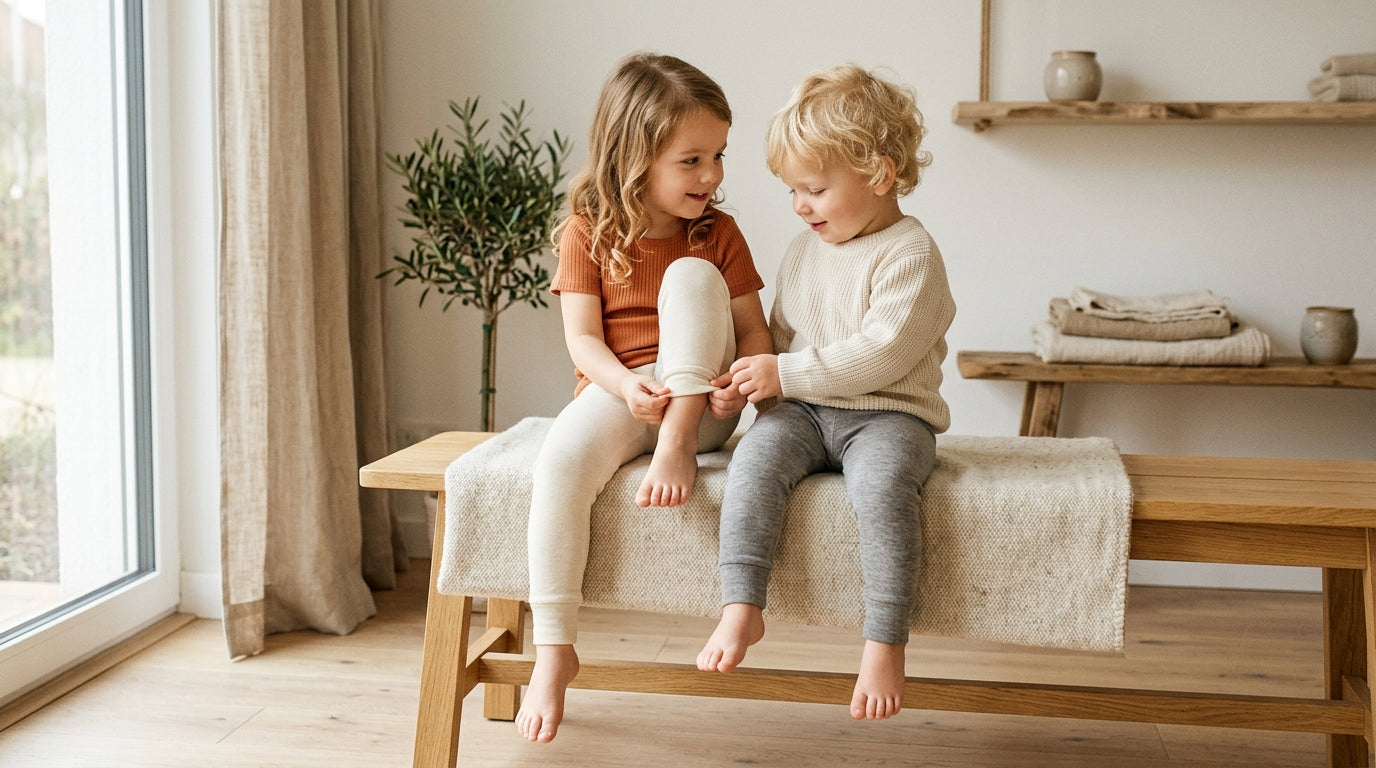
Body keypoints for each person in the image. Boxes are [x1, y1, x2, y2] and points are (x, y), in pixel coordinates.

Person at [518, 52, 772, 744]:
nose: (713, 176)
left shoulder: (714, 233)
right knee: (559, 466)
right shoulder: (587, 231)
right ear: (636, 156)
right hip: (631, 395)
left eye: (718, 155)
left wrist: (732, 386)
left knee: (691, 279)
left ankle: (677, 444)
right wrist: (627, 385)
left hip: (701, 411)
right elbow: (582, 341)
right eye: (692, 160)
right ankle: (554, 649)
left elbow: (753, 334)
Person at [696, 64, 955, 722]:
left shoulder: (910, 254)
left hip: (889, 415)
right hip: (805, 413)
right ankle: (742, 606)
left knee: (882, 490)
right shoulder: (802, 251)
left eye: (814, 189)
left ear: (879, 175)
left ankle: (884, 642)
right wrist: (745, 384)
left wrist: (786, 373)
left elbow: (882, 352)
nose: (800, 206)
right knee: (752, 462)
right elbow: (779, 338)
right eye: (792, 191)